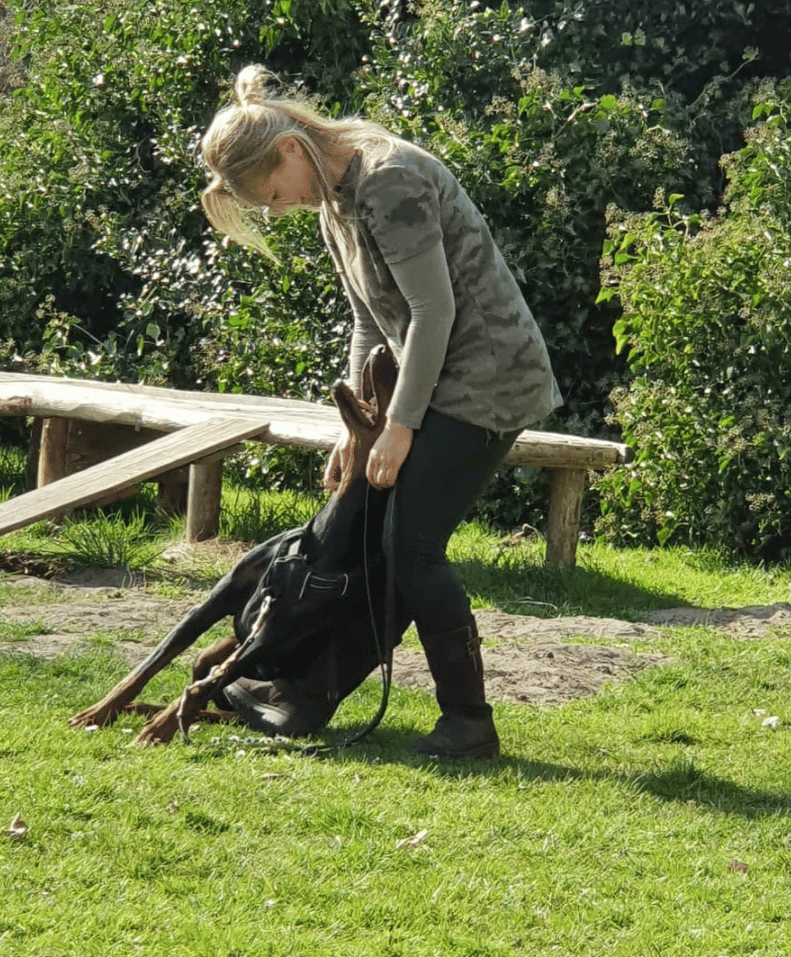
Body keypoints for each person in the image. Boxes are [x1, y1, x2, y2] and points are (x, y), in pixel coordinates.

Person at [198, 65, 562, 759]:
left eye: (274, 196)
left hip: (489, 379)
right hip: (435, 379)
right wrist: (356, 428)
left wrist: (399, 429)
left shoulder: (388, 180)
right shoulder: (335, 203)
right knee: (376, 540)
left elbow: (433, 311)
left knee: (412, 548)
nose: (280, 210)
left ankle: (469, 723)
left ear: (289, 151)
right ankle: (304, 692)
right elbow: (369, 324)